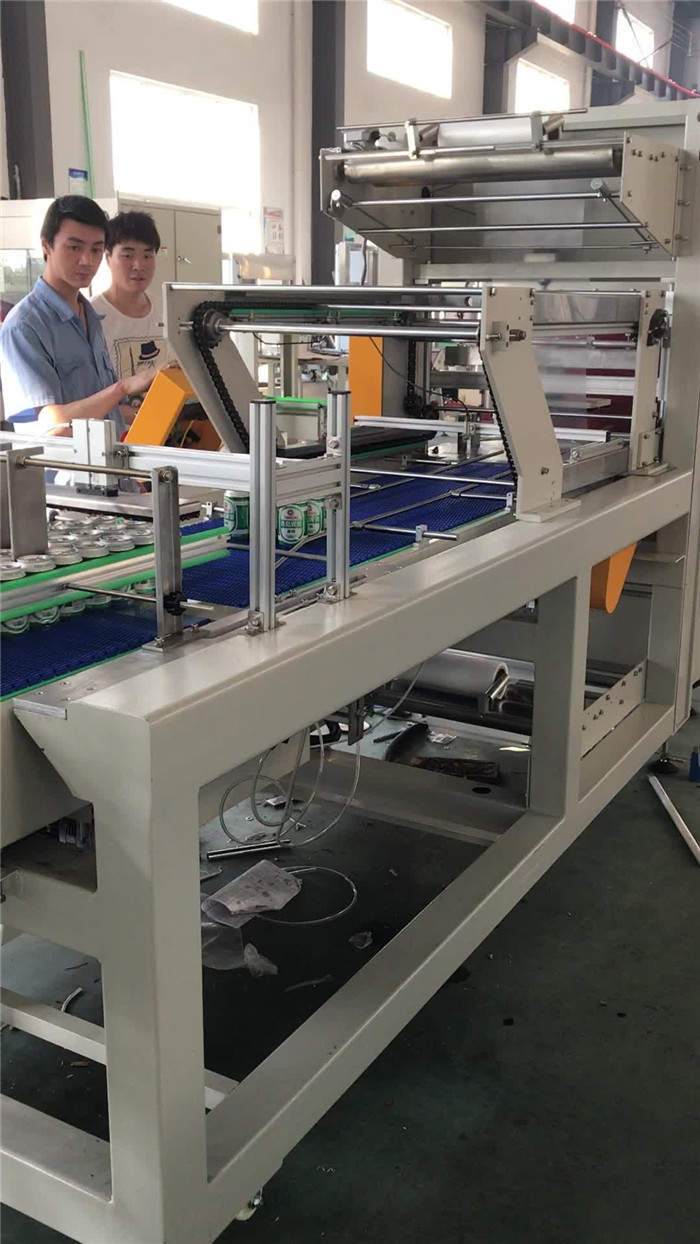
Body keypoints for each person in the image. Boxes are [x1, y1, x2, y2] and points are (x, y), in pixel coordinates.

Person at [0, 196, 152, 438]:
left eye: (96, 249)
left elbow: (106, 410)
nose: (87, 261)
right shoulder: (24, 326)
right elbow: (49, 428)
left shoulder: (90, 316)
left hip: (110, 459)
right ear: (46, 246)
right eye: (74, 247)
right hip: (64, 464)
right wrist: (122, 387)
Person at [91, 210, 176, 380]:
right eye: (128, 255)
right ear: (108, 257)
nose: (138, 265)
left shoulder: (167, 312)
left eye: (147, 255)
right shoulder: (92, 316)